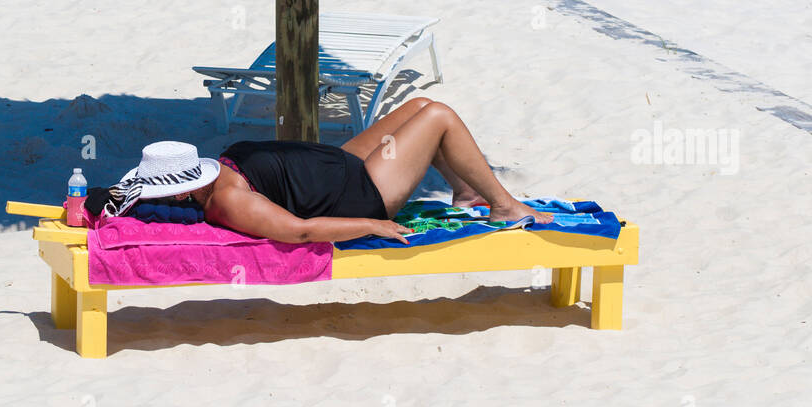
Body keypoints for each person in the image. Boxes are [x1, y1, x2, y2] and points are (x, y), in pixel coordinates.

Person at [186, 97, 552, 244]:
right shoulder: (229, 200)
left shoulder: (222, 171)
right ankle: (504, 205)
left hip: (342, 168)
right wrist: (372, 225)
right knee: (439, 116)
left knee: (420, 105)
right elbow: (300, 232)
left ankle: (466, 191)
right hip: (360, 196)